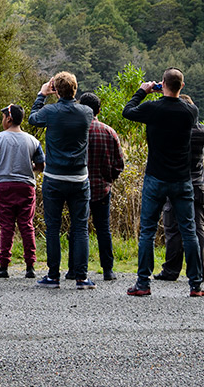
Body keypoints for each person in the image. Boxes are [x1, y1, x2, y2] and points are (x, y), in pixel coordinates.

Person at [121, 69, 204, 297]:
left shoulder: (152, 108)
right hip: (182, 179)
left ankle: (143, 283)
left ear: (162, 84)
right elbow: (177, 106)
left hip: (156, 176)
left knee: (148, 232)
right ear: (182, 86)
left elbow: (127, 111)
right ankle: (196, 284)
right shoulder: (191, 111)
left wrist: (143, 91)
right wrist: (166, 91)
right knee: (189, 231)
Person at [29, 72, 96, 289]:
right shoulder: (87, 112)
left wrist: (42, 94)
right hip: (79, 177)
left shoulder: (50, 112)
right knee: (80, 228)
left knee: (53, 228)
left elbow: (32, 118)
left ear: (56, 90)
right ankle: (81, 277)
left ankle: (53, 275)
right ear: (75, 89)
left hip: (55, 177)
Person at [154, 104, 204, 285]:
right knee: (198, 228)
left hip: (178, 183)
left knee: (173, 229)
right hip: (198, 185)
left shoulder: (177, 133)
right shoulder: (202, 131)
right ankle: (200, 269)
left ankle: (171, 270)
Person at [0, 104, 43, 279]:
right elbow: (41, 164)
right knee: (27, 225)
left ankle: (4, 266)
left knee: (6, 226)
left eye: (3, 117)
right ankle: (30, 266)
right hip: (26, 186)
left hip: (4, 185)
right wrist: (29, 168)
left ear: (9, 119)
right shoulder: (33, 141)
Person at [80, 92, 127, 282]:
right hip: (102, 188)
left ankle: (74, 269)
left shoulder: (77, 132)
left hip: (79, 186)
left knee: (78, 228)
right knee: (103, 229)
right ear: (99, 110)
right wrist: (109, 179)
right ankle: (108, 269)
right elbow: (119, 164)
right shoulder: (109, 132)